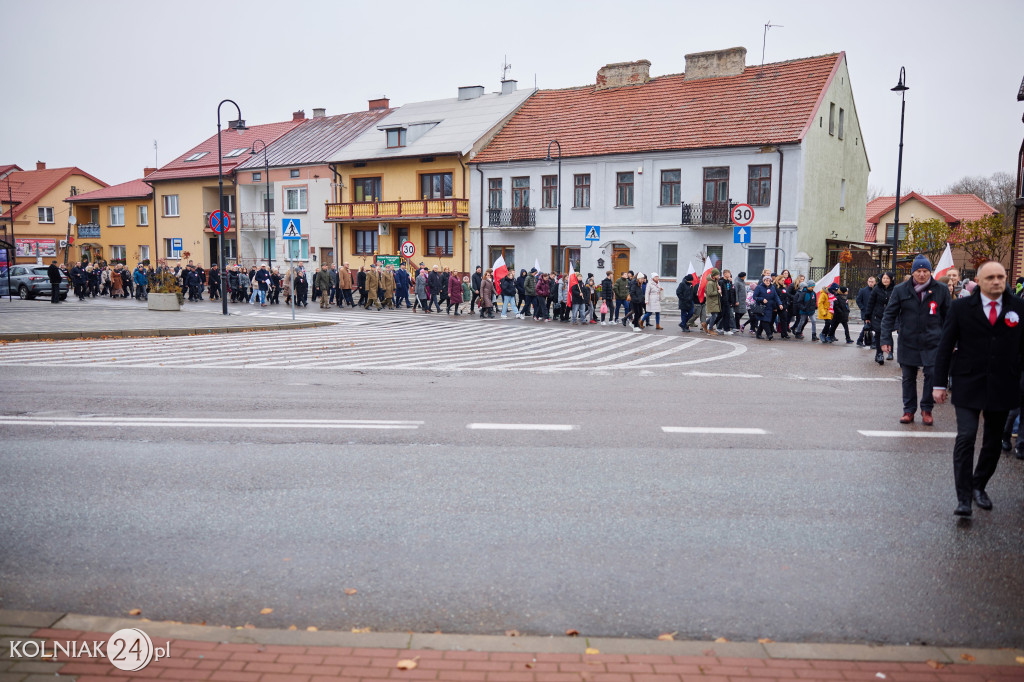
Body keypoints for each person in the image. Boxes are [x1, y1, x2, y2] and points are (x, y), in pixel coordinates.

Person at [933, 261, 1024, 517]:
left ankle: (978, 486)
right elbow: (945, 346)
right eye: (991, 277)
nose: (997, 281)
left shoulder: (1018, 308)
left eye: (1001, 277)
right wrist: (938, 384)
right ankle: (963, 498)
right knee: (966, 436)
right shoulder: (961, 308)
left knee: (993, 443)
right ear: (980, 281)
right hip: (967, 382)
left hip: (1003, 384)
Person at [880, 254, 952, 425]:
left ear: (930, 272)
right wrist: (885, 339)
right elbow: (889, 315)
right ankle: (908, 410)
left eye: (925, 271)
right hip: (908, 340)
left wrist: (952, 342)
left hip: (933, 341)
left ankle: (927, 409)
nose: (921, 274)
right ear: (913, 272)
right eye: (918, 271)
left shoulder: (940, 290)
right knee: (908, 377)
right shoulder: (900, 290)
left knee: (931, 374)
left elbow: (950, 318)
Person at [868, 272, 894, 363]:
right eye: (884, 278)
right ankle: (879, 354)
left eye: (887, 278)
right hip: (877, 315)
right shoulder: (876, 289)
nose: (885, 280)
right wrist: (867, 316)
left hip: (889, 316)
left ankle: (890, 351)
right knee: (878, 334)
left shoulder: (894, 289)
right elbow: (870, 303)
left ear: (891, 279)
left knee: (888, 333)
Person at [752, 274, 783, 340]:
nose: (768, 281)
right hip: (761, 307)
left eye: (769, 280)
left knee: (764, 321)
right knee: (765, 321)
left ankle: (758, 334)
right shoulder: (759, 287)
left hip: (769, 307)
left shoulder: (772, 288)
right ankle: (769, 334)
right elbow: (754, 297)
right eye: (766, 280)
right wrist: (762, 299)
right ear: (763, 281)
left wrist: (780, 304)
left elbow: (776, 297)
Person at [856, 276, 877, 347]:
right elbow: (858, 300)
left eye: (872, 282)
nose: (871, 283)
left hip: (873, 312)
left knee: (869, 327)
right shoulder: (863, 290)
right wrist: (863, 308)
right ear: (867, 282)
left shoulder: (876, 290)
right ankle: (871, 342)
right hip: (865, 313)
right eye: (869, 282)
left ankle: (861, 340)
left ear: (875, 282)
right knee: (867, 327)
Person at [703, 268, 721, 334]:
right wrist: (718, 291)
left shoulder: (715, 281)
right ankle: (710, 329)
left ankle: (705, 324)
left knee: (715, 315)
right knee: (714, 315)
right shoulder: (710, 283)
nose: (719, 275)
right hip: (712, 301)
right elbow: (710, 293)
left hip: (715, 301)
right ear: (714, 275)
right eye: (717, 274)